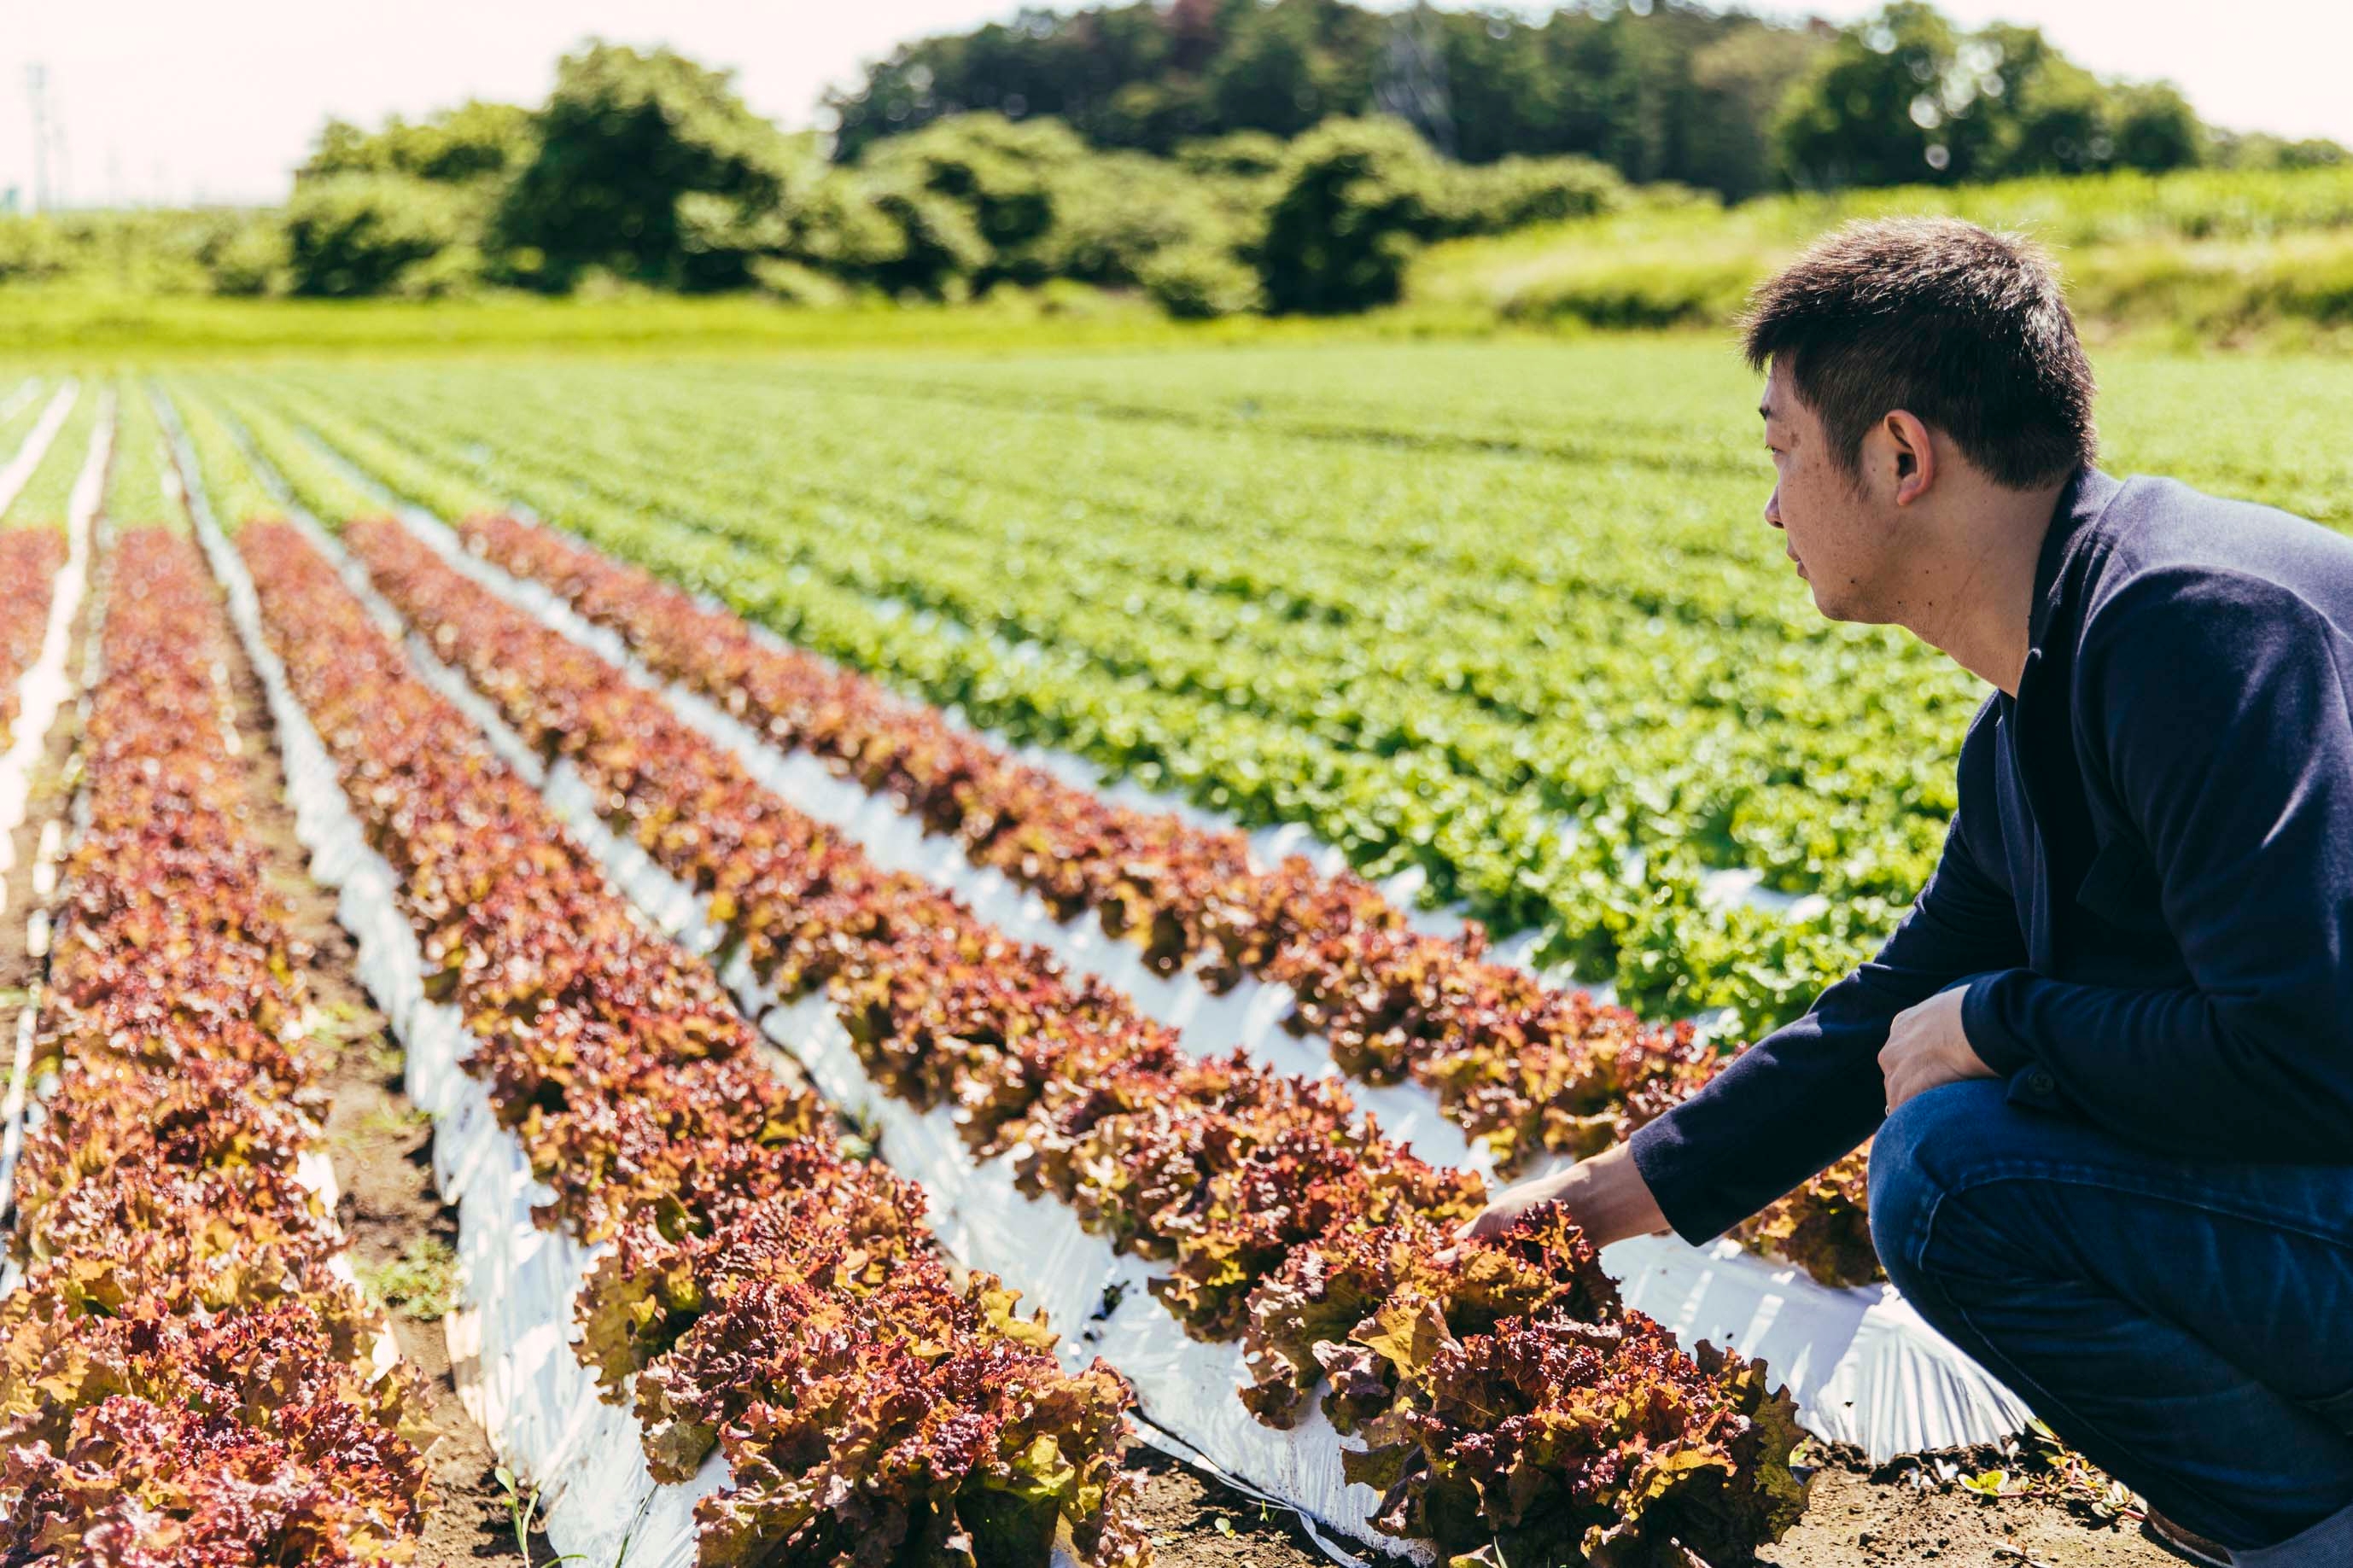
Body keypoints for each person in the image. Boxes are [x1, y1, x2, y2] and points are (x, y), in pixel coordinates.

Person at [1467, 217, 2353, 1568]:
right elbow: (1890, 1006)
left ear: (1898, 455)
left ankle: (2313, 1525)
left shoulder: (2191, 630)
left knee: (1951, 1177)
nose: (1770, 507)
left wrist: (2001, 1020)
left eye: (1781, 451)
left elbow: (2305, 1055)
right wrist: (1597, 1204)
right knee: (1953, 1129)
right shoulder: (2050, 690)